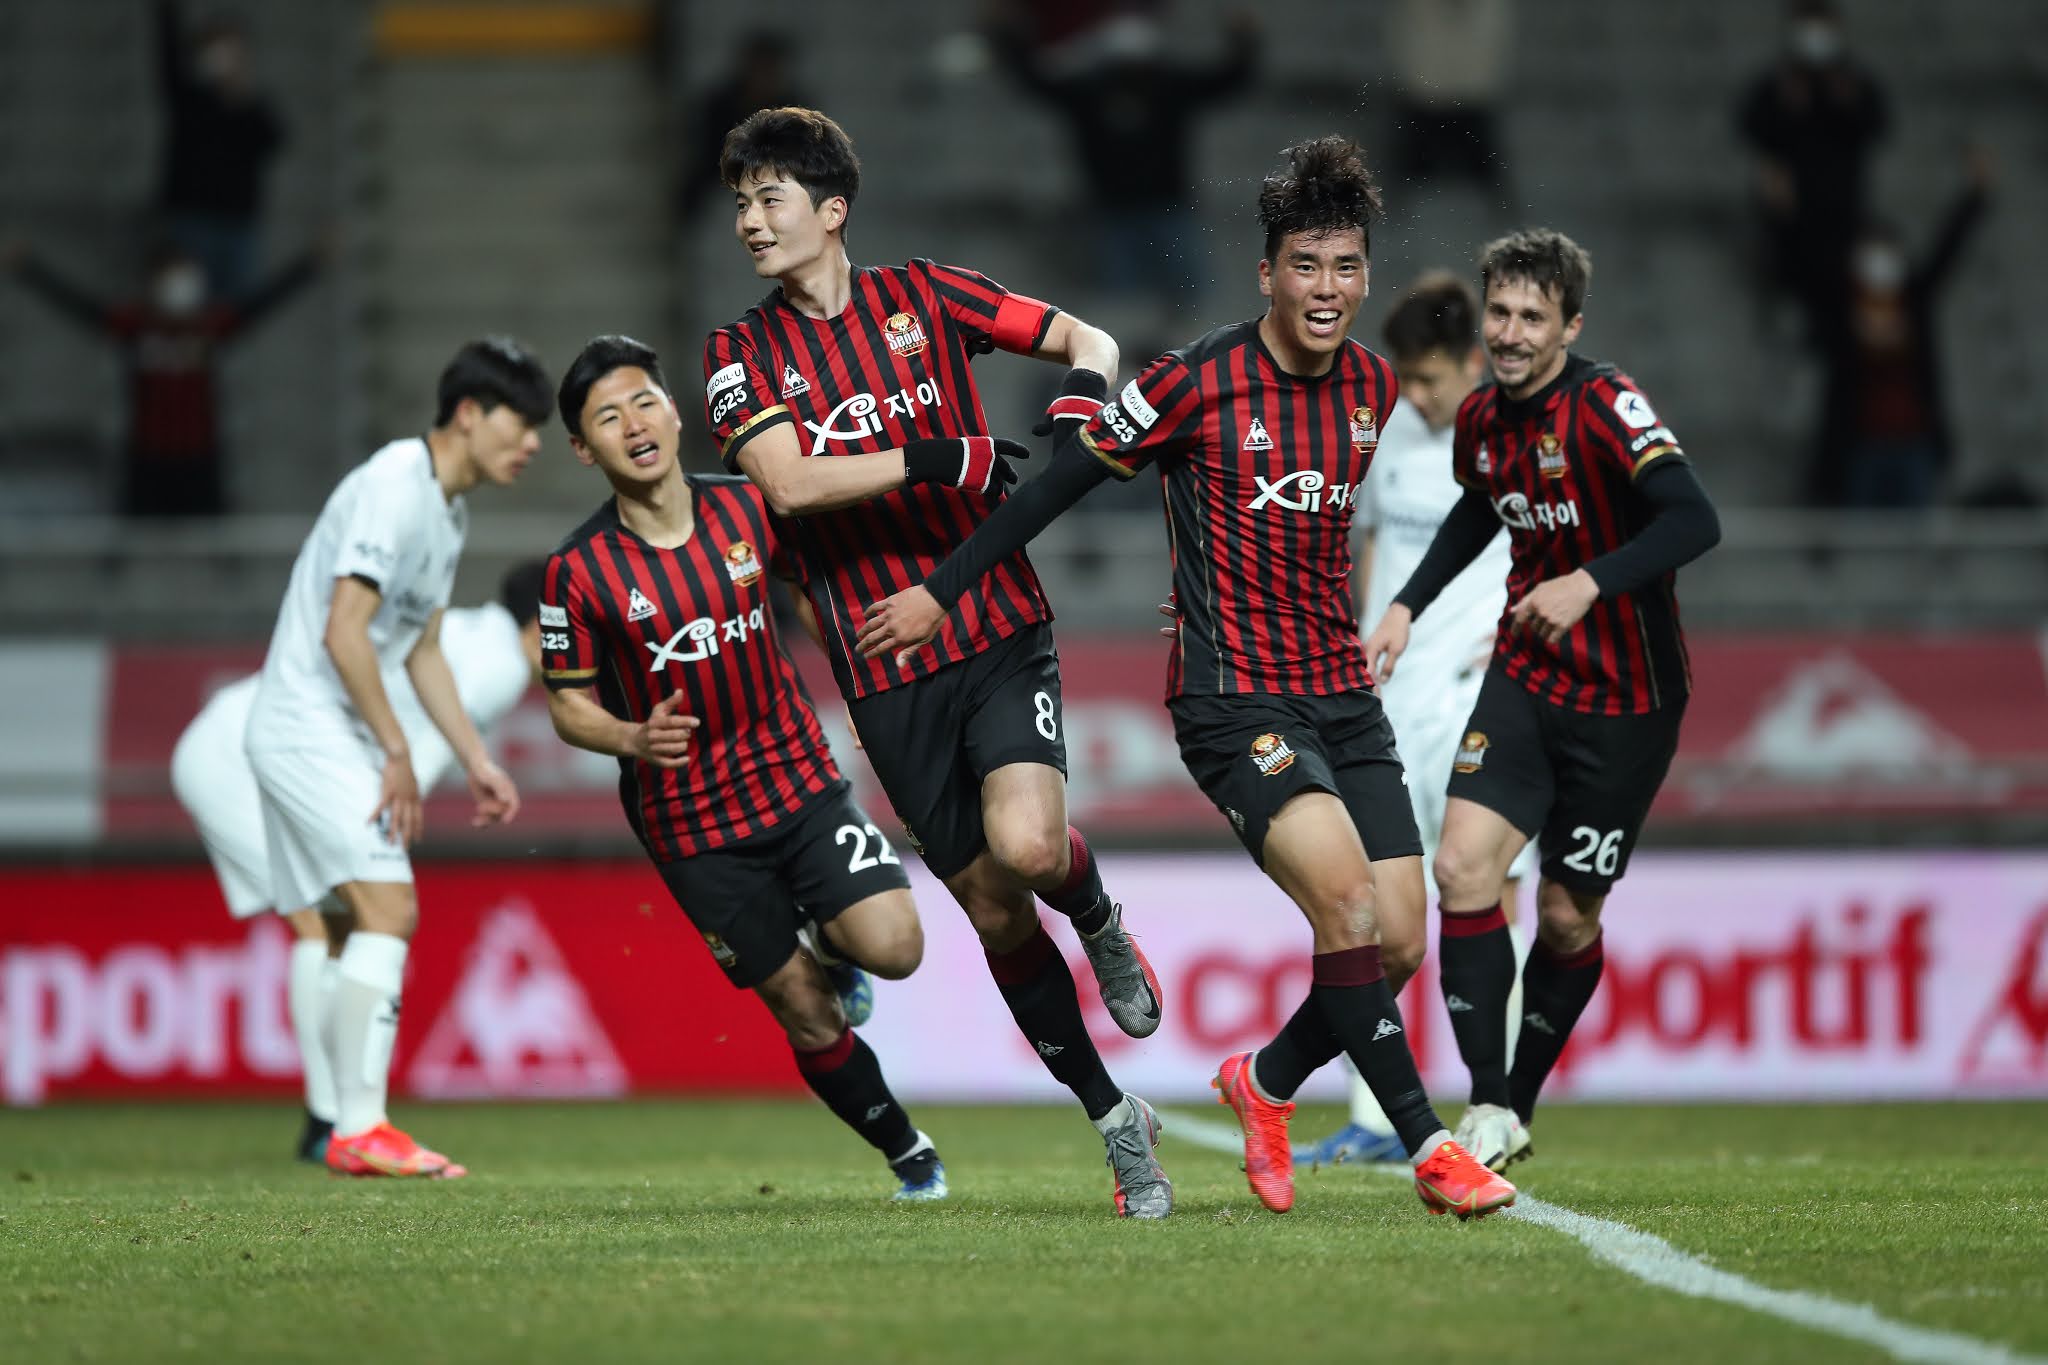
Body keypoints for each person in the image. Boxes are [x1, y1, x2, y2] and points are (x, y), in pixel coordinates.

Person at [856, 136, 1517, 1221]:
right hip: (1232, 700)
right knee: (1347, 901)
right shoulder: (1192, 381)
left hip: (1343, 698)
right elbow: (1054, 488)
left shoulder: (1370, 386)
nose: (1326, 288)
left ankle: (1260, 1083)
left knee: (1396, 936)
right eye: (1304, 265)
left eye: (1345, 266)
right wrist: (941, 587)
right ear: (1266, 273)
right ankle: (1432, 1150)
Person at [702, 106, 1170, 1219]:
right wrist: (937, 453)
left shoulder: (929, 297)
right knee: (997, 915)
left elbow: (1088, 341)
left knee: (1026, 845)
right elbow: (788, 485)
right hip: (882, 672)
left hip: (995, 626)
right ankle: (1118, 1124)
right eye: (738, 204)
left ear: (831, 209)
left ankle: (1099, 919)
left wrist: (1077, 402)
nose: (749, 221)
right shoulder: (736, 354)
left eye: (768, 198)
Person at [544, 335, 945, 1201]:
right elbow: (567, 704)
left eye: (643, 401)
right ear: (584, 449)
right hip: (693, 827)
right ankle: (909, 1152)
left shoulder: (752, 510)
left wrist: (868, 705)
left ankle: (842, 951)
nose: (633, 424)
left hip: (797, 781)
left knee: (897, 946)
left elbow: (812, 602)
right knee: (804, 1009)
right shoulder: (576, 574)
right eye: (606, 418)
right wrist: (629, 738)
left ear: (675, 409)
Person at [1363, 228, 1721, 1170]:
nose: (1514, 331)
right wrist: (1404, 604)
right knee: (1463, 872)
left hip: (1627, 699)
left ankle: (1513, 1101)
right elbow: (1481, 507)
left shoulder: (1608, 407)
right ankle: (1483, 1101)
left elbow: (1694, 517)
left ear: (1569, 325)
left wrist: (1591, 582)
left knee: (1565, 918)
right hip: (1526, 679)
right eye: (1503, 312)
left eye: (1534, 315)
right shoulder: (1482, 419)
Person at [244, 337, 551, 1179]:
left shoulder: (447, 511)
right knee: (390, 909)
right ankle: (358, 1125)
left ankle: (348, 1125)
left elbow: (420, 651)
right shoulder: (392, 487)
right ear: (467, 413)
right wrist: (396, 753)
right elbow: (346, 631)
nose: (531, 444)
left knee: (349, 926)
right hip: (306, 727)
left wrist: (473, 756)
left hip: (321, 729)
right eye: (521, 423)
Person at [171, 566, 548, 1162]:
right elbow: (416, 768)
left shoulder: (476, 634)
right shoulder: (500, 666)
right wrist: (384, 839)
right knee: (327, 924)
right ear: (540, 626)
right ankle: (331, 1122)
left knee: (330, 923)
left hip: (232, 740)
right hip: (239, 756)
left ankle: (328, 1121)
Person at [1295, 271, 1535, 1168]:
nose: (1419, 393)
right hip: (1384, 703)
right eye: (1409, 377)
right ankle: (1371, 1116)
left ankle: (1494, 1104)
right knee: (1365, 905)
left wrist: (1524, 628)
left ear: (1475, 361)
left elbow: (1570, 539)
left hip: (1484, 699)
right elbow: (1360, 547)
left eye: (1431, 378)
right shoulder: (1383, 433)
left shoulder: (1516, 439)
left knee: (1489, 894)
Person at [2, 238, 321, 515]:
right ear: (154, 282)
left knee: (213, 539)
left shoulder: (208, 327)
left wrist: (310, 264)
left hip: (199, 456)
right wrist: (28, 269)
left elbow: (261, 304)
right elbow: (82, 307)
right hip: (149, 457)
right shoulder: (137, 326)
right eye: (172, 276)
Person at [986, 5, 1260, 306]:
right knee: (1124, 300)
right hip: (1115, 211)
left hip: (1164, 206)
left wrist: (1244, 37)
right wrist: (1008, 35)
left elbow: (1229, 79)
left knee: (1189, 293)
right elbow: (1034, 80)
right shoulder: (1092, 92)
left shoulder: (1165, 87)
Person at [1809, 154, 1993, 509]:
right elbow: (1805, 263)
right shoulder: (1843, 309)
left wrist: (1975, 197)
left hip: (1913, 442)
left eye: (1886, 250)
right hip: (1861, 445)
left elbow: (1946, 253)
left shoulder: (1913, 301)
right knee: (1865, 545)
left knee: (1913, 546)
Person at [1736, 0, 1890, 341]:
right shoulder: (1779, 85)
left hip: (1842, 211)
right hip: (1791, 218)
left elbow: (1877, 124)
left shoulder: (1852, 84)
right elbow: (1751, 126)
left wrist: (1847, 103)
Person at [154, 0, 284, 297]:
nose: (223, 58)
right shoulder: (189, 98)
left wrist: (241, 95)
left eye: (230, 49)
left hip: (238, 224)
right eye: (216, 50)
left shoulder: (251, 104)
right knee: (183, 305)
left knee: (234, 313)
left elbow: (274, 140)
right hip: (190, 219)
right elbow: (168, 61)